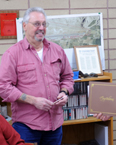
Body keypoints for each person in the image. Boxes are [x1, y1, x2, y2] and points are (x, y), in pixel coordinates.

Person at [0, 7, 74, 145]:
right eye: (37, 24)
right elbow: (3, 87)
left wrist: (64, 92)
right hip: (26, 127)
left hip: (55, 125)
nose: (41, 28)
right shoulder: (12, 54)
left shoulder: (57, 50)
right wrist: (32, 100)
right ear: (24, 26)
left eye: (44, 24)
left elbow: (68, 78)